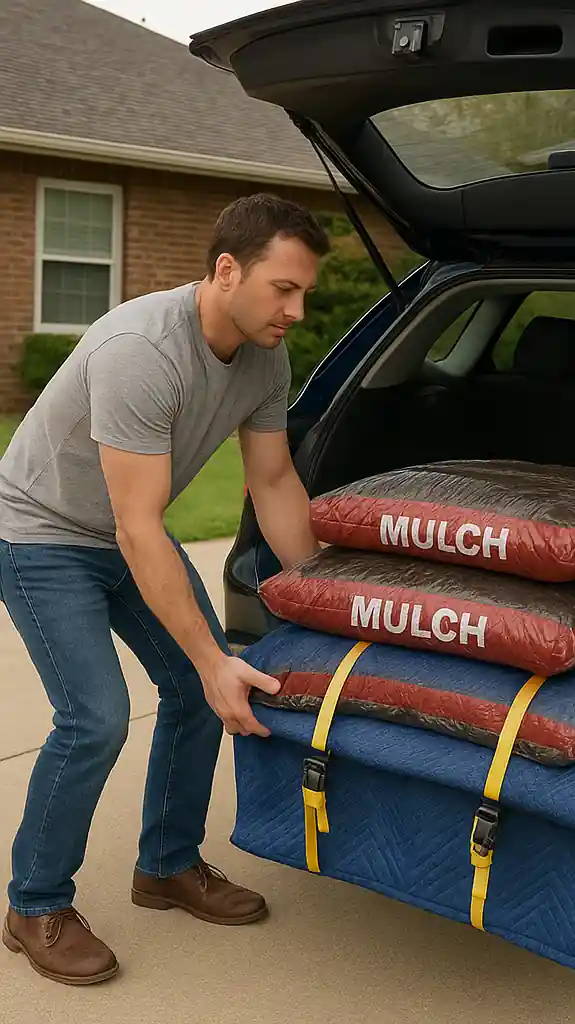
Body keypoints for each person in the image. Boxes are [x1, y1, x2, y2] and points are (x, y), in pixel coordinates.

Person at [0, 193, 332, 986]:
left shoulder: (264, 353)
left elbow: (275, 479)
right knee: (96, 719)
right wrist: (216, 659)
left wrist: (322, 597)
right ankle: (34, 903)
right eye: (284, 288)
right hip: (40, 535)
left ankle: (168, 866)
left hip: (122, 530)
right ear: (227, 270)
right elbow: (138, 527)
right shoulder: (140, 350)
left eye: (304, 292)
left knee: (194, 683)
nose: (296, 309)